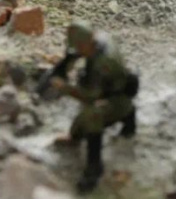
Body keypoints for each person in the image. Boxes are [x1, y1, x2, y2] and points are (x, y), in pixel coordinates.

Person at [44, 22, 138, 193]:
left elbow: (90, 96)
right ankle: (75, 137)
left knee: (92, 115)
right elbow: (79, 54)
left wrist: (64, 88)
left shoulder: (104, 63)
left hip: (117, 99)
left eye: (79, 48)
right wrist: (67, 62)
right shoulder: (98, 39)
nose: (78, 51)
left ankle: (94, 167)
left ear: (85, 44)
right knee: (78, 128)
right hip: (111, 88)